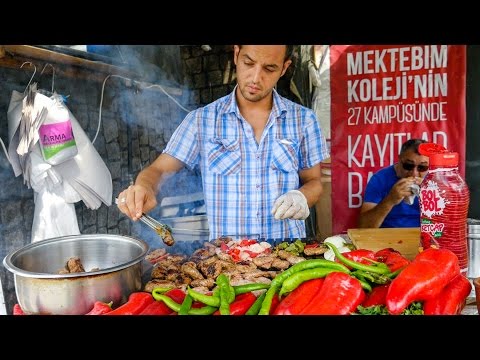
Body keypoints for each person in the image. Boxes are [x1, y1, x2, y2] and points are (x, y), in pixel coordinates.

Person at [117, 45, 330, 241]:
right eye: (248, 63)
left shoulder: (304, 120)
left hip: (288, 255)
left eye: (269, 68)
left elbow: (314, 181)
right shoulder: (202, 121)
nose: (256, 77)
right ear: (236, 55)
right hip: (227, 261)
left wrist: (301, 196)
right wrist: (143, 187)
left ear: (284, 68)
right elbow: (158, 170)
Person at [358, 138, 429, 228]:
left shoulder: (435, 180)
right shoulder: (380, 179)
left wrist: (431, 196)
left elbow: (447, 224)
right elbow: (364, 226)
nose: (414, 173)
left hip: (424, 236)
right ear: (399, 160)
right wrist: (390, 200)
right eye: (408, 165)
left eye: (422, 167)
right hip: (387, 237)